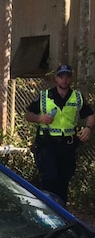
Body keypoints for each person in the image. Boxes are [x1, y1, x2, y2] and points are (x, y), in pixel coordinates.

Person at [24, 64, 95, 206]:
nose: (64, 80)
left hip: (67, 146)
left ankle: (62, 214)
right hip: (47, 145)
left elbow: (90, 114)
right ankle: (47, 212)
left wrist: (88, 128)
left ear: (71, 79)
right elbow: (28, 114)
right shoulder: (45, 96)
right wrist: (40, 118)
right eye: (61, 77)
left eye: (67, 77)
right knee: (49, 179)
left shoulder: (77, 97)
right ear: (56, 79)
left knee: (63, 181)